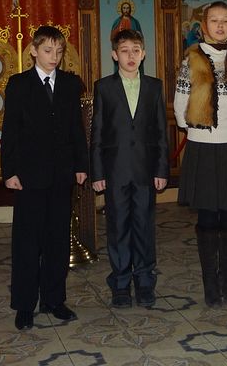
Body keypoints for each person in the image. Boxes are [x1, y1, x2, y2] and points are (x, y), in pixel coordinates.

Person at [1, 26, 88, 330]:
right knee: (27, 243)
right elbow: (10, 130)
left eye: (59, 51)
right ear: (34, 51)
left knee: (57, 240)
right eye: (48, 51)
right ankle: (24, 304)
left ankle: (54, 299)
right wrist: (9, 171)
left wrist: (81, 164)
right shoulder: (19, 85)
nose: (54, 57)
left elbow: (76, 128)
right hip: (29, 175)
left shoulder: (69, 84)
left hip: (61, 174)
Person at [174, 1, 227, 307]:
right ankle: (211, 284)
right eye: (214, 20)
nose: (220, 26)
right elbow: (180, 104)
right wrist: (200, 129)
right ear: (204, 25)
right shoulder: (191, 59)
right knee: (208, 218)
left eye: (225, 20)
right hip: (204, 147)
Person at [90, 29, 169, 308]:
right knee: (118, 226)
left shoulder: (154, 86)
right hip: (116, 171)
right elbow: (98, 133)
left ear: (143, 54)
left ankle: (145, 280)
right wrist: (98, 172)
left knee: (144, 226)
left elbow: (161, 131)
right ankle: (121, 283)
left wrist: (161, 169)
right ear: (115, 55)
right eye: (124, 51)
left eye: (136, 50)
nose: (130, 56)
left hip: (145, 170)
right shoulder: (104, 87)